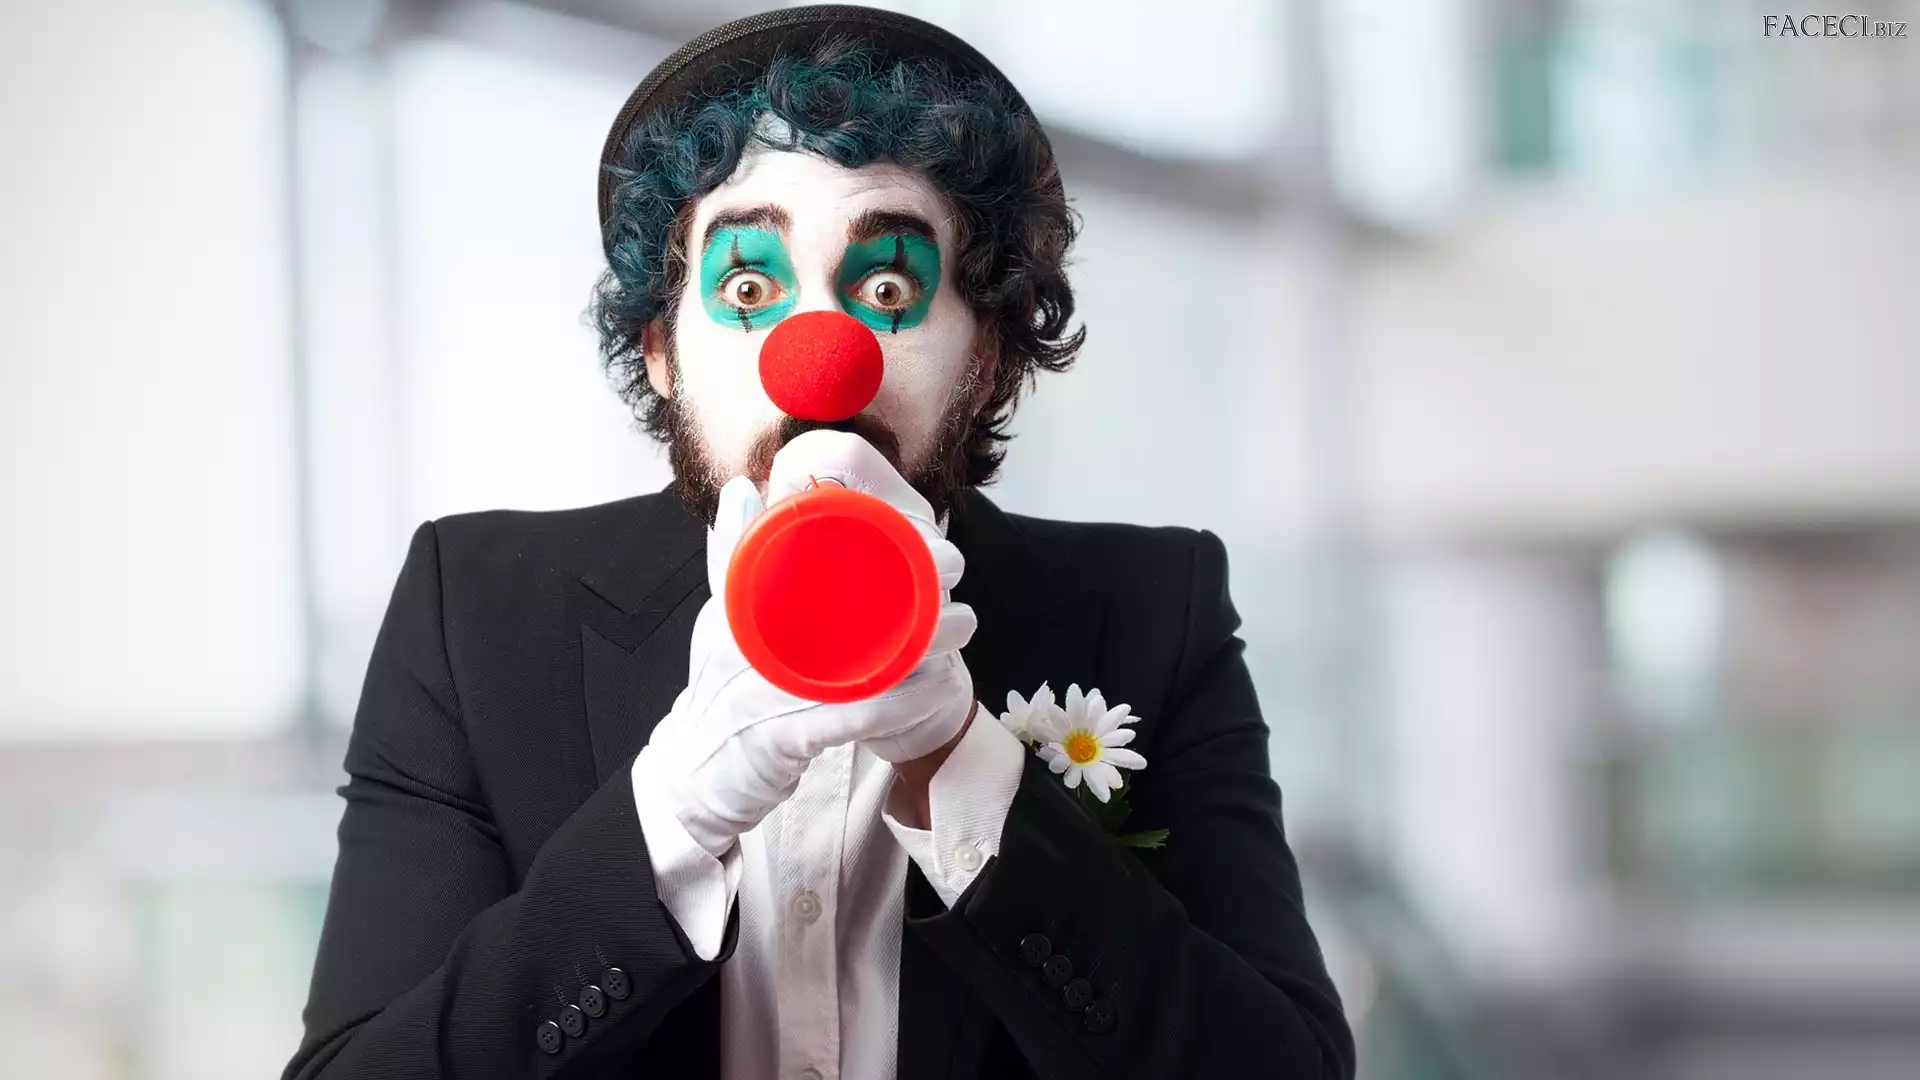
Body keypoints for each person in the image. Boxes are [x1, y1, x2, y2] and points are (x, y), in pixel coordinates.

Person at [285, 6, 1353, 1079]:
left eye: (888, 287)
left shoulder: (1156, 610)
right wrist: (672, 816)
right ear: (660, 350)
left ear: (986, 350)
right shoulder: (474, 617)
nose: (821, 355)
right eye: (748, 288)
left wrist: (967, 771)